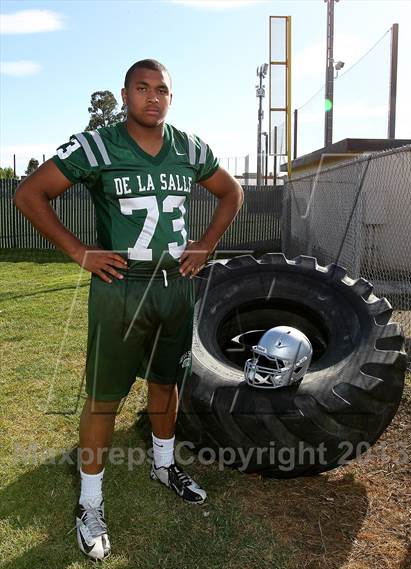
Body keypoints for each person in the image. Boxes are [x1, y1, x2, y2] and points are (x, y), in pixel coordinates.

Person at [13, 58, 244, 561]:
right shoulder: (97, 144)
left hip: (174, 286)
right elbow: (29, 194)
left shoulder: (190, 146)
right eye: (142, 88)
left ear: (171, 97)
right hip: (122, 286)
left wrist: (206, 243)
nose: (152, 97)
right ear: (124, 95)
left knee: (167, 383)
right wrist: (79, 250)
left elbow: (231, 192)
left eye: (162, 89)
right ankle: (90, 501)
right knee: (104, 397)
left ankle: (164, 464)